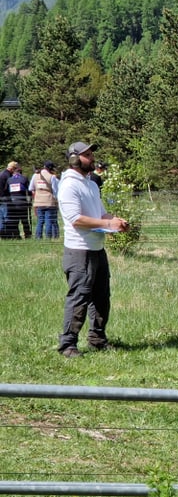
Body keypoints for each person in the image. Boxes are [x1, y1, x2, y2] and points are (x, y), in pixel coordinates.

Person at [56, 142, 129, 358]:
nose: (92, 157)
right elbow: (76, 219)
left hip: (97, 248)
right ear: (74, 159)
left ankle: (97, 339)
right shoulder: (69, 184)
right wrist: (107, 225)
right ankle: (67, 345)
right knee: (78, 298)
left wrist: (116, 221)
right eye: (86, 155)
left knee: (101, 298)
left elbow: (101, 213)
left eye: (91, 153)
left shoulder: (91, 183)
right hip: (79, 251)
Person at [29, 161, 60, 239]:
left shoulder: (35, 176)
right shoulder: (52, 177)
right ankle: (48, 237)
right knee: (49, 220)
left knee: (40, 221)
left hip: (39, 201)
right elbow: (55, 191)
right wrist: (57, 201)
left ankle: (38, 237)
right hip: (49, 201)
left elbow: (30, 188)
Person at [3, 163, 31, 238]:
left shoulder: (9, 180)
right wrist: (29, 201)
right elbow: (29, 191)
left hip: (13, 203)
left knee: (14, 221)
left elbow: (5, 191)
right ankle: (27, 235)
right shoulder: (24, 178)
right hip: (22, 203)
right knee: (25, 221)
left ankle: (16, 236)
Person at [0, 162, 13, 237]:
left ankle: (1, 233)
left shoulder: (1, 173)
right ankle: (6, 234)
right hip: (4, 198)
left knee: (1, 217)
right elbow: (8, 188)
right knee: (6, 217)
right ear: (12, 168)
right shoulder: (7, 175)